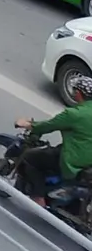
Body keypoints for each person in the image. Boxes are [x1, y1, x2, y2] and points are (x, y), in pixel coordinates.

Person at [14, 74, 92, 206]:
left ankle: (38, 196)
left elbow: (49, 125)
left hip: (73, 159)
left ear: (78, 93)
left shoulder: (74, 114)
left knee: (29, 157)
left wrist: (29, 125)